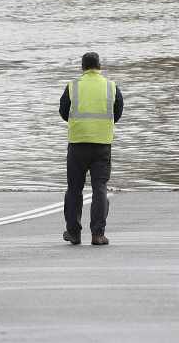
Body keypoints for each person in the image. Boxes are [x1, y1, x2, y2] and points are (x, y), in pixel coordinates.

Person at [59, 51, 123, 245]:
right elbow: (118, 112)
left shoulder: (73, 86)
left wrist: (79, 123)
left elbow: (63, 111)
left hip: (77, 143)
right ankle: (98, 234)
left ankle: (73, 233)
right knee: (100, 188)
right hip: (102, 144)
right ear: (99, 66)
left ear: (82, 67)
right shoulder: (111, 86)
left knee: (74, 189)